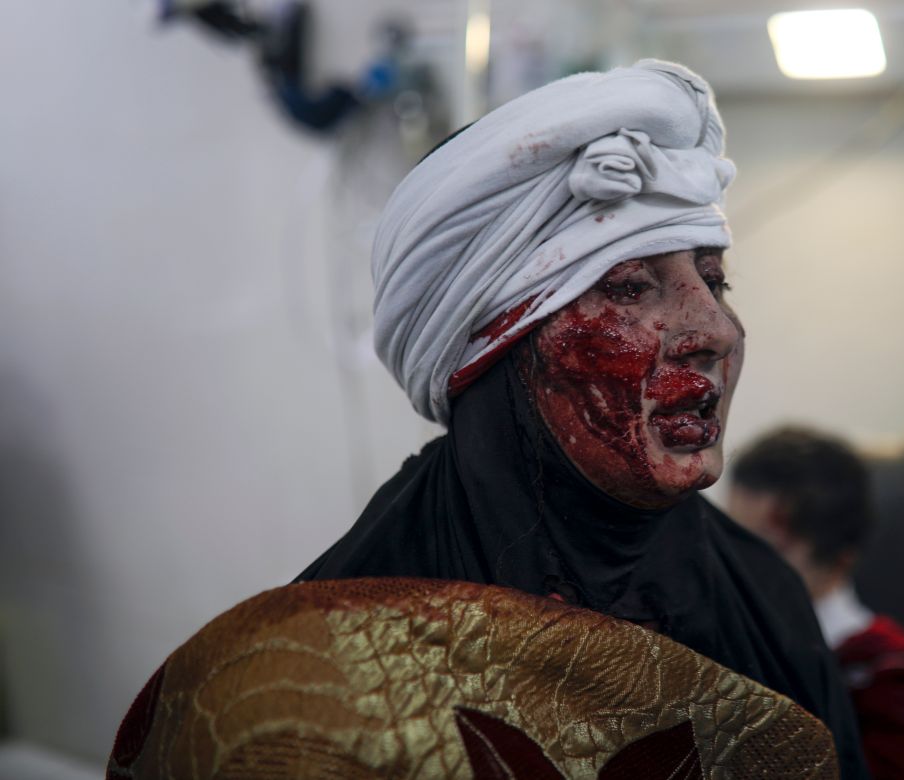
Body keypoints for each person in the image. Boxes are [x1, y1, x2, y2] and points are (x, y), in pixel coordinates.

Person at [295, 60, 870, 777]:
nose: (714, 329)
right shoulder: (324, 660)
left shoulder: (765, 604)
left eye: (715, 280)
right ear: (496, 354)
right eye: (630, 287)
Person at [729, 425, 904, 780]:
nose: (739, 565)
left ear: (839, 559)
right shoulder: (717, 628)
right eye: (732, 538)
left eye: (768, 552)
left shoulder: (889, 671)